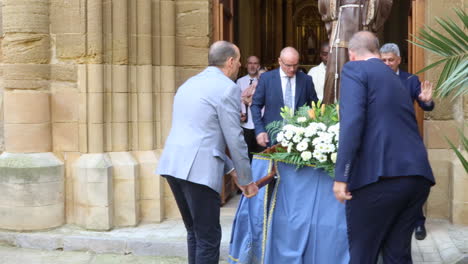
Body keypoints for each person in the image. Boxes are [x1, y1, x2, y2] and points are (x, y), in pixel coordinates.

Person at [333, 31, 435, 264]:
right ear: (378, 52)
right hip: (416, 177)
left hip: (379, 178)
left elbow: (352, 122)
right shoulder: (396, 78)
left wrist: (342, 176)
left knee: (362, 255)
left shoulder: (354, 69)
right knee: (397, 255)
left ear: (351, 54)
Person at [156, 41, 259, 264]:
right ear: (230, 62)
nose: (240, 65)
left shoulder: (188, 84)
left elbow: (201, 135)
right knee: (209, 239)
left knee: (195, 233)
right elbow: (235, 138)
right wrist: (246, 179)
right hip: (198, 171)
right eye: (239, 60)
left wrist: (231, 170)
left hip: (173, 165)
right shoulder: (227, 88)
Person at [380, 43, 435, 241]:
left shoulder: (410, 80)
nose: (387, 64)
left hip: (407, 140)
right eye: (383, 60)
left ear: (399, 60)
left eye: (391, 60)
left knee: (414, 179)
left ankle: (418, 223)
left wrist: (427, 101)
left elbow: (426, 105)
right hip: (383, 140)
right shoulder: (373, 79)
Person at [318, 0, 393, 103]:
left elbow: (384, 5)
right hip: (340, 36)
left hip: (364, 31)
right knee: (337, 77)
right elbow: (325, 8)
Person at [251, 47, 318, 147]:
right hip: (271, 136)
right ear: (280, 61)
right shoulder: (267, 79)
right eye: (288, 65)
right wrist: (260, 130)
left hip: (300, 140)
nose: (292, 69)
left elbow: (314, 107)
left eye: (295, 65)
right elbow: (255, 105)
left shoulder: (306, 80)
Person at [237, 56, 262, 161]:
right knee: (246, 155)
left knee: (260, 155)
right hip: (245, 125)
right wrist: (239, 113)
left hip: (259, 124)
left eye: (255, 63)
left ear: (259, 66)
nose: (252, 66)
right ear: (246, 65)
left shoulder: (263, 81)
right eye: (250, 63)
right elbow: (236, 101)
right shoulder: (240, 81)